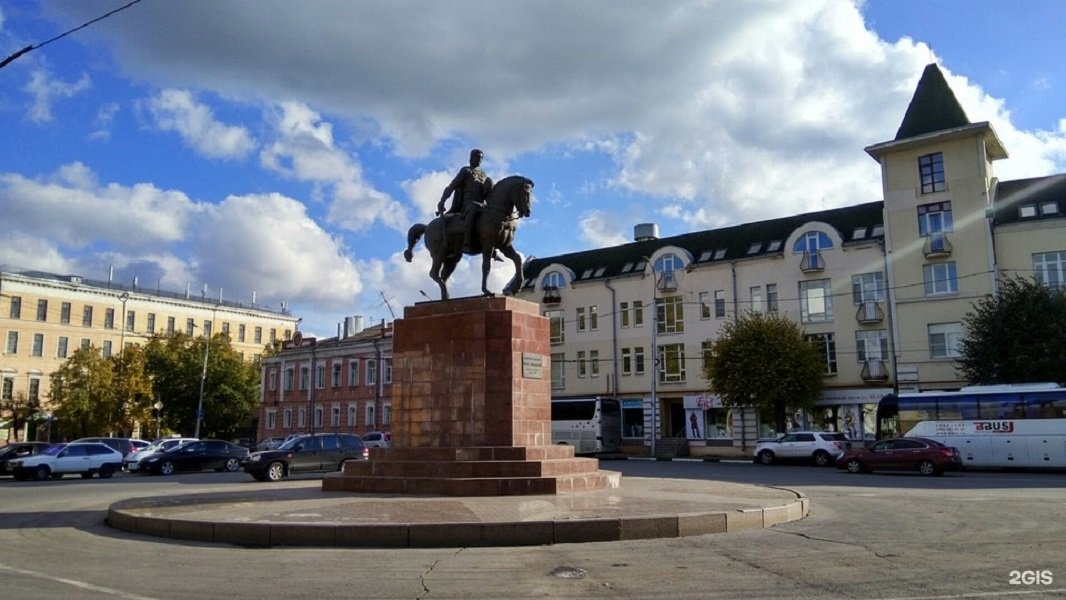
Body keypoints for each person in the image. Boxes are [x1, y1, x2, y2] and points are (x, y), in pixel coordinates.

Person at [437, 149, 493, 253]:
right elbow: (452, 186)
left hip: (481, 204)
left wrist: (489, 187)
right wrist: (442, 200)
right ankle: (467, 242)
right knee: (472, 211)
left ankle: (492, 246)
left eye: (481, 158)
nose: (479, 160)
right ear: (471, 158)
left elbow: (486, 193)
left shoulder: (483, 175)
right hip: (468, 204)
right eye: (477, 157)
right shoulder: (466, 171)